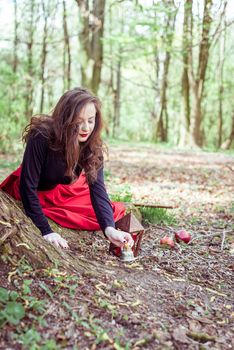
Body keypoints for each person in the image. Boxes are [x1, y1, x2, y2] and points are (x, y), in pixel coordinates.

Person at [0, 87, 134, 250]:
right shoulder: (41, 136)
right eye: (78, 122)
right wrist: (46, 230)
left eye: (90, 120)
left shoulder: (92, 145)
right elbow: (28, 186)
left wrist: (109, 229)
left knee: (110, 212)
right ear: (66, 119)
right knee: (77, 216)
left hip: (61, 190)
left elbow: (98, 190)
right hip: (32, 190)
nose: (86, 128)